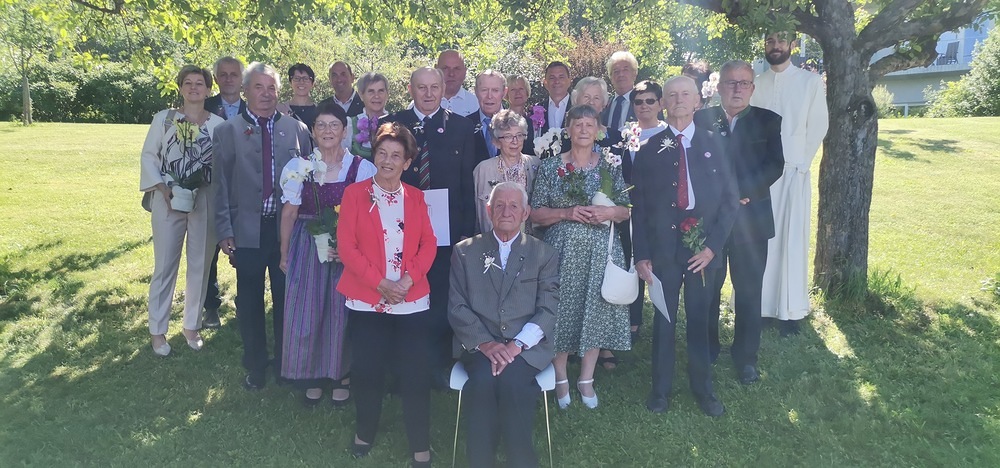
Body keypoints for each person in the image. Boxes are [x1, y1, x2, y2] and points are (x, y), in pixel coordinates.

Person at [631, 76, 738, 416]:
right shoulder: (648, 150)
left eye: (685, 94)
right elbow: (639, 208)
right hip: (663, 248)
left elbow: (730, 201)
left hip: (702, 250)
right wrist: (641, 254)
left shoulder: (716, 143)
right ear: (663, 103)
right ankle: (660, 390)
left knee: (700, 318)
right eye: (672, 95)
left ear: (697, 102)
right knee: (664, 319)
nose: (678, 100)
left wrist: (712, 248)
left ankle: (703, 389)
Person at [337, 122, 437, 467]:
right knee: (367, 371)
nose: (387, 161)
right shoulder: (354, 194)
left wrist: (407, 281)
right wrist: (381, 284)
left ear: (407, 162)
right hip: (367, 300)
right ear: (374, 156)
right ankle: (365, 431)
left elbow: (429, 244)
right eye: (382, 153)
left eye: (396, 155)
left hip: (411, 300)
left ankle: (420, 444)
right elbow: (347, 248)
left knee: (415, 374)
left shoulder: (417, 197)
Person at [213, 62, 313, 389]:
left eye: (272, 88)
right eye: (258, 87)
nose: (266, 94)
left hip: (287, 231)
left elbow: (309, 182)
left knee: (287, 299)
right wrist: (224, 231)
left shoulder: (297, 130)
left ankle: (287, 365)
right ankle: (255, 365)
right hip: (246, 230)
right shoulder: (227, 131)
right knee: (250, 301)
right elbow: (219, 185)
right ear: (245, 91)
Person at [448, 181, 558, 468]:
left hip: (526, 347)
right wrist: (486, 343)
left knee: (513, 383)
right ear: (488, 211)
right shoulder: (464, 252)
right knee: (483, 382)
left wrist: (516, 345)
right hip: (478, 345)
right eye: (499, 205)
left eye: (513, 206)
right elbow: (457, 306)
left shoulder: (544, 253)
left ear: (525, 213)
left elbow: (548, 309)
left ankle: (521, 461)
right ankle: (480, 461)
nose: (506, 211)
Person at [529, 105, 631, 409]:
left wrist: (607, 212)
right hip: (562, 252)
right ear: (568, 130)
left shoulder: (609, 166)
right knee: (561, 311)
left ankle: (586, 378)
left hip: (601, 252)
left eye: (589, 124)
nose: (584, 129)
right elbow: (535, 213)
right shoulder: (550, 167)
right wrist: (567, 213)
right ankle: (560, 375)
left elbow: (625, 210)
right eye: (578, 124)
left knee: (596, 310)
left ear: (598, 130)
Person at [278, 102, 377, 405]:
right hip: (308, 244)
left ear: (345, 131)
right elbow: (289, 213)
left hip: (348, 247)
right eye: (321, 125)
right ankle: (312, 374)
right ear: (312, 131)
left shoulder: (361, 168)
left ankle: (341, 375)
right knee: (307, 310)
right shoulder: (299, 167)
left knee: (341, 311)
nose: (327, 131)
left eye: (334, 125)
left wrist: (353, 250)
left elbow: (369, 216)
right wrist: (284, 253)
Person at [387, 67, 478, 389]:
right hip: (400, 228)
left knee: (439, 297)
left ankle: (438, 366)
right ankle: (402, 369)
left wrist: (466, 232)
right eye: (421, 87)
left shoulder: (462, 127)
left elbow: (467, 184)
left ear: (443, 89)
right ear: (410, 89)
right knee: (402, 293)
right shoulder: (394, 125)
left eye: (434, 87)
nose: (428, 94)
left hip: (445, 231)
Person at [694, 60, 784, 384]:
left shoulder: (767, 121)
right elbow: (693, 163)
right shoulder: (701, 119)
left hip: (751, 220)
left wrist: (740, 193)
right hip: (710, 222)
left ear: (752, 88)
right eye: (731, 82)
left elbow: (775, 165)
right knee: (708, 289)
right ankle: (707, 348)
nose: (737, 88)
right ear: (719, 87)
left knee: (748, 290)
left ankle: (746, 358)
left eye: (744, 83)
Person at [139, 65, 225, 356]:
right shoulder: (164, 119)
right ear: (180, 88)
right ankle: (157, 330)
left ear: (208, 89)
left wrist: (203, 182)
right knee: (165, 265)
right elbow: (149, 157)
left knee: (200, 263)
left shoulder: (217, 125)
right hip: (167, 198)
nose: (193, 88)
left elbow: (222, 164)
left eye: (199, 83)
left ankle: (191, 326)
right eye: (187, 83)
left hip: (204, 199)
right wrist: (163, 188)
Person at [750, 31, 829, 336]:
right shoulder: (756, 83)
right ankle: (761, 308)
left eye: (781, 41)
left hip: (794, 171)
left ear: (792, 45)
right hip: (762, 175)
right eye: (770, 41)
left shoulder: (810, 82)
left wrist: (802, 162)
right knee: (762, 241)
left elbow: (818, 125)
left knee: (791, 241)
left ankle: (791, 311)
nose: (775, 46)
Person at [202, 56, 246, 329]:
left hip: (244, 191)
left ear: (242, 79)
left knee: (245, 249)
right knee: (210, 251)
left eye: (234, 74)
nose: (229, 79)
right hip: (210, 188)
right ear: (216, 78)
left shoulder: (253, 109)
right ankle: (210, 306)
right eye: (224, 74)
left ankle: (245, 304)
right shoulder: (203, 108)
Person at [472, 110, 540, 235]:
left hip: (530, 241)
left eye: (519, 135)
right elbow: (474, 213)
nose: (515, 141)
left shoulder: (536, 164)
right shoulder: (483, 170)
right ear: (496, 142)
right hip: (492, 241)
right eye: (508, 136)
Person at [344, 72, 391, 161]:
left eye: (381, 91)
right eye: (371, 91)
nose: (376, 96)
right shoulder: (350, 124)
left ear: (387, 94)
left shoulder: (395, 123)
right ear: (361, 95)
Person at [467, 70, 508, 161]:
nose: (489, 96)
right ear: (476, 91)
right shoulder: (465, 125)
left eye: (495, 90)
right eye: (484, 90)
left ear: (504, 92)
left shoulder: (518, 123)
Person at [603, 51, 639, 137]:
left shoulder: (645, 103)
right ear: (610, 77)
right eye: (616, 71)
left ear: (634, 74)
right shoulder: (604, 104)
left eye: (625, 70)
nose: (621, 74)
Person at [436, 49, 480, 116]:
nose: (451, 74)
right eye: (445, 68)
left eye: (457, 69)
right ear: (436, 70)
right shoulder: (425, 102)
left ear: (465, 71)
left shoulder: (476, 104)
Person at [535, 61, 572, 135]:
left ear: (569, 81)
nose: (557, 81)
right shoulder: (537, 110)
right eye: (552, 78)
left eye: (561, 77)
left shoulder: (578, 107)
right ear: (545, 83)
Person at [277, 63, 318, 128]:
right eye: (296, 78)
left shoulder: (320, 111)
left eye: (305, 78)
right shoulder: (279, 110)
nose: (301, 82)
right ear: (290, 82)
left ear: (312, 83)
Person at [505, 75, 536, 155]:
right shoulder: (502, 121)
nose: (517, 93)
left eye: (521, 89)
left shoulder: (535, 120)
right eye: (513, 90)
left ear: (527, 92)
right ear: (506, 94)